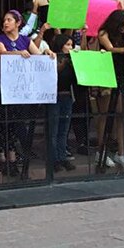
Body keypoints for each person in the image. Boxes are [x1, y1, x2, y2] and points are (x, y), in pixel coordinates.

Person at [0, 10, 52, 176]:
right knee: (2, 121)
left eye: (9, 20)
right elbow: (3, 53)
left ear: (18, 23)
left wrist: (47, 53)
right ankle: (3, 156)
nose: (6, 23)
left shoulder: (25, 40)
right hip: (4, 86)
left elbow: (37, 55)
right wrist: (19, 53)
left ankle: (12, 155)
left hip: (20, 89)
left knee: (14, 121)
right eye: (4, 20)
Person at [96, 10, 124, 168]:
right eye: (123, 23)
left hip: (122, 75)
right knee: (105, 114)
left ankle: (121, 152)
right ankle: (101, 151)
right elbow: (110, 48)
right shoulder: (103, 33)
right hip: (107, 75)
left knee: (120, 114)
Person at [49, 34, 76, 172]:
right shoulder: (54, 57)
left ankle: (62, 157)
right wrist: (64, 60)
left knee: (64, 130)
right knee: (54, 129)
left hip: (67, 97)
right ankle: (54, 160)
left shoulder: (72, 60)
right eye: (67, 45)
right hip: (55, 97)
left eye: (71, 45)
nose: (70, 47)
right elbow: (55, 73)